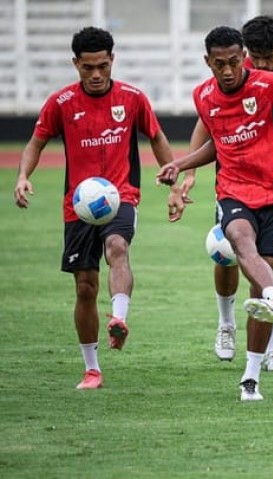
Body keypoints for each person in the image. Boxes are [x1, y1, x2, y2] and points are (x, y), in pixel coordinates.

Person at [156, 26, 273, 401]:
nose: (226, 71)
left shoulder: (270, 84)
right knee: (238, 240)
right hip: (234, 190)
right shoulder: (203, 96)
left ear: (244, 58)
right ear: (208, 62)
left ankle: (250, 376)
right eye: (218, 64)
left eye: (233, 62)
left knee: (261, 276)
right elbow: (216, 144)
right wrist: (183, 165)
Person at [13, 27, 183, 390]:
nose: (95, 74)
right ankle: (92, 368)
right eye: (87, 67)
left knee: (117, 247)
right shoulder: (61, 104)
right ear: (75, 64)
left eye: (102, 66)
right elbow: (35, 143)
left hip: (120, 195)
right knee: (85, 288)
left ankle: (118, 319)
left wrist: (174, 187)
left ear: (112, 61)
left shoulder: (133, 98)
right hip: (78, 206)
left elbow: (156, 137)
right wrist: (23, 176)